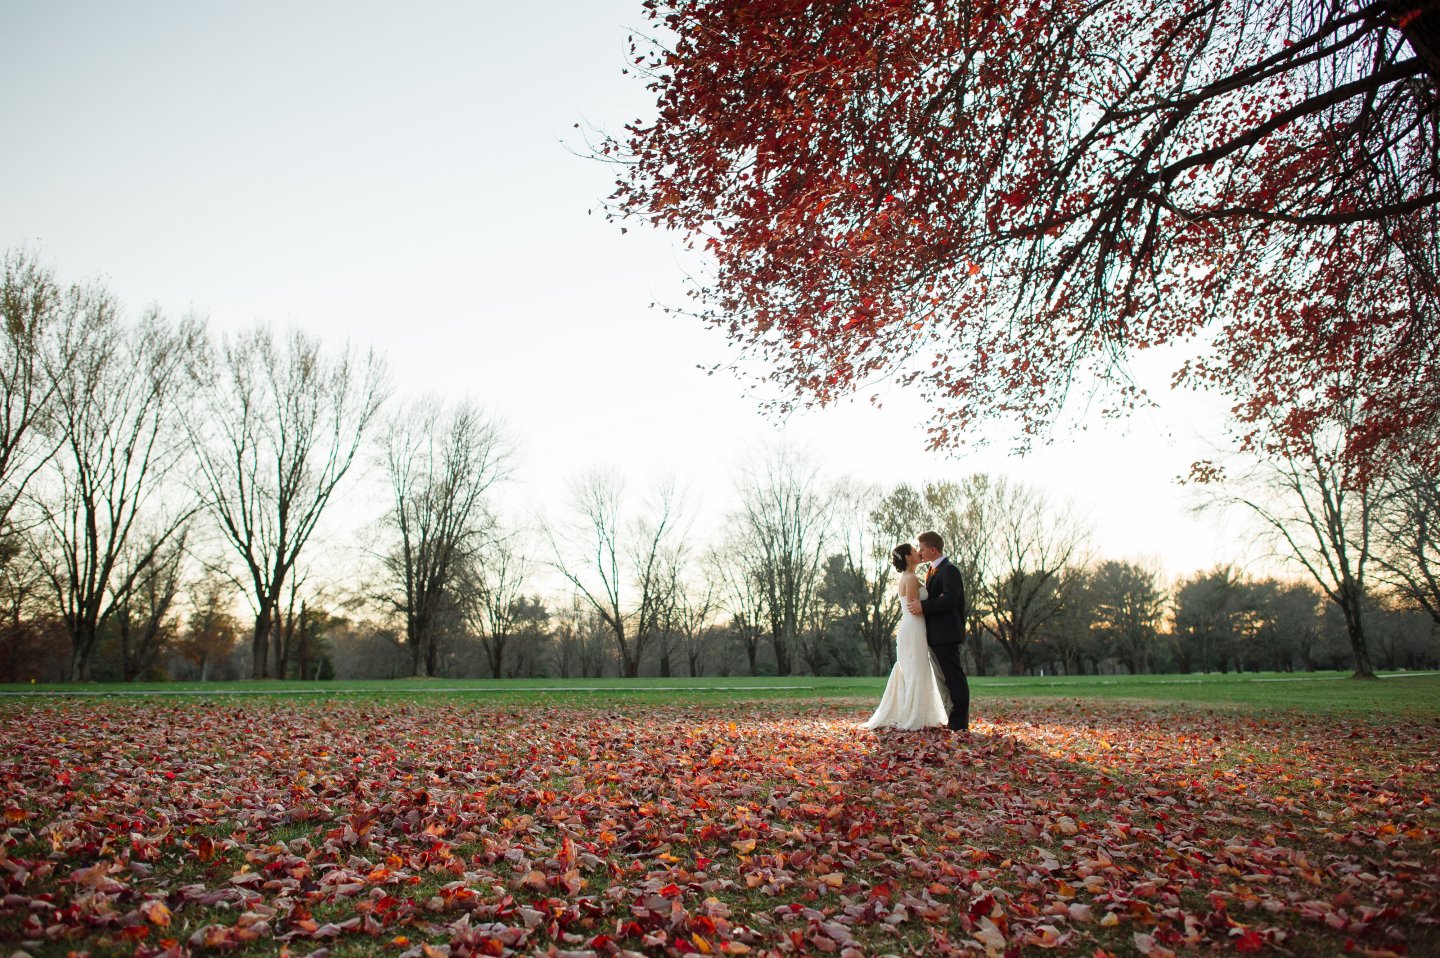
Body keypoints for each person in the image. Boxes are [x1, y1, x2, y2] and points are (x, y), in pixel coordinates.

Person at [863, 542, 949, 730]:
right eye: (914, 551)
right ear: (909, 558)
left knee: (917, 669)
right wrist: (939, 602)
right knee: (916, 670)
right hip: (913, 629)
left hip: (914, 628)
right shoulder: (910, 579)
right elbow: (914, 608)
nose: (919, 552)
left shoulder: (910, 577)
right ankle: (913, 715)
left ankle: (918, 713)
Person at [906, 531, 970, 731]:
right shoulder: (932, 571)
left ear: (933, 550)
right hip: (935, 636)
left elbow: (949, 600)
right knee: (943, 680)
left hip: (947, 635)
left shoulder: (950, 570)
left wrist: (924, 607)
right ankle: (952, 720)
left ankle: (960, 724)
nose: (920, 552)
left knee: (953, 678)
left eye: (922, 548)